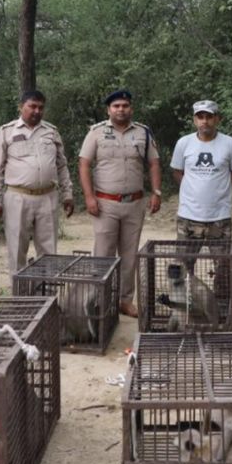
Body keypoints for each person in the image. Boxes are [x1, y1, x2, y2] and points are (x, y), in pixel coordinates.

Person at [78, 89, 162, 317]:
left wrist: (156, 192)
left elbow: (154, 164)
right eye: (116, 106)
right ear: (109, 110)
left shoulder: (143, 133)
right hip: (105, 204)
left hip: (134, 203)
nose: (121, 109)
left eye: (125, 105)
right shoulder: (96, 133)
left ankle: (125, 300)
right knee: (103, 254)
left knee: (130, 254)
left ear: (131, 108)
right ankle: (100, 300)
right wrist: (88, 197)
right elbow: (84, 164)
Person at [0, 90, 75, 273]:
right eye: (32, 106)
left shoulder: (51, 132)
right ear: (21, 107)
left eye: (40, 107)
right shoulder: (6, 132)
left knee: (49, 251)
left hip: (48, 197)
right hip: (17, 198)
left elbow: (62, 166)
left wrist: (68, 194)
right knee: (17, 250)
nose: (36, 111)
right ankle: (19, 299)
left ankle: (47, 297)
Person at [170, 99, 232, 241]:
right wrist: (191, 188)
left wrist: (221, 188)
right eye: (200, 117)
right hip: (188, 215)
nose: (205, 121)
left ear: (217, 119)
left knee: (223, 262)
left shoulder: (231, 144)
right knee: (184, 262)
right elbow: (177, 172)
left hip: (220, 216)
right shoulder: (183, 143)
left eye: (209, 117)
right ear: (194, 120)